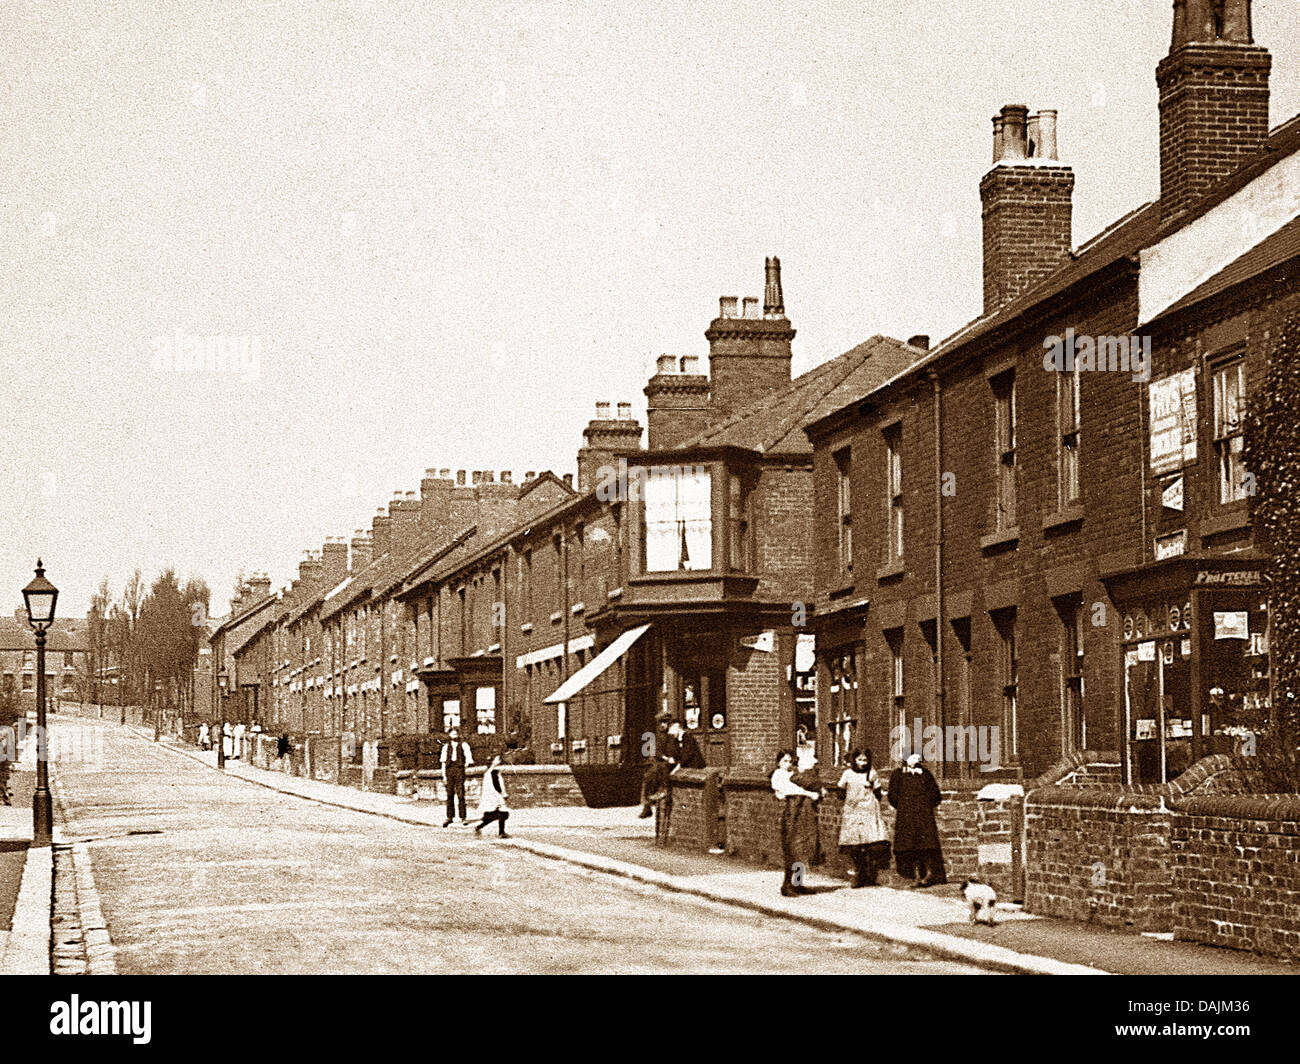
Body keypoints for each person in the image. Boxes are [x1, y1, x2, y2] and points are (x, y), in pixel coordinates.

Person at [888, 753, 946, 888]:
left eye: (917, 757)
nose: (915, 760)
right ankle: (913, 875)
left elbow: (935, 794)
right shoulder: (898, 774)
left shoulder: (925, 774)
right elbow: (893, 796)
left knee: (926, 844)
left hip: (924, 815)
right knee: (908, 845)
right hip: (906, 816)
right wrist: (905, 806)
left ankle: (929, 874)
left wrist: (924, 805)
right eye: (912, 757)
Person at [771, 750, 823, 897]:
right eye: (784, 761)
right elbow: (789, 789)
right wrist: (808, 793)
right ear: (778, 762)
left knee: (801, 849)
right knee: (791, 849)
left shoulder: (792, 775)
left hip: (801, 815)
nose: (787, 764)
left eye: (790, 761)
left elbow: (808, 783)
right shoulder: (778, 774)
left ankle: (798, 883)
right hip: (790, 815)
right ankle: (787, 885)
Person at [835, 749, 890, 887]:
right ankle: (857, 873)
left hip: (868, 809)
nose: (862, 763)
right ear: (854, 760)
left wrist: (871, 789)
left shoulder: (871, 773)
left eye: (865, 760)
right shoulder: (848, 773)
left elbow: (878, 791)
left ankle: (869, 875)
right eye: (860, 760)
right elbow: (840, 790)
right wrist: (847, 798)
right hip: (853, 810)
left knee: (870, 842)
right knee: (854, 844)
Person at [638, 711, 674, 818]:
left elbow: (673, 751)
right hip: (659, 762)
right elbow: (654, 752)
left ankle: (650, 803)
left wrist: (666, 758)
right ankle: (647, 805)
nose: (663, 725)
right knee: (648, 776)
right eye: (661, 723)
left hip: (666, 763)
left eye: (665, 723)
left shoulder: (670, 736)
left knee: (655, 773)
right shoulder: (656, 736)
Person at [440, 727, 473, 826]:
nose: (454, 735)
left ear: (458, 735)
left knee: (460, 794)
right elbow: (443, 762)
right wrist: (444, 776)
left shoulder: (464, 745)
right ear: (449, 735)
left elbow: (469, 758)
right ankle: (450, 817)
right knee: (449, 794)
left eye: (456, 734)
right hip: (449, 770)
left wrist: (464, 766)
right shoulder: (446, 746)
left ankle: (463, 817)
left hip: (459, 770)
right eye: (452, 734)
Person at [474, 753, 511, 838]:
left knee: (493, 816)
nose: (499, 761)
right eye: (497, 760)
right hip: (495, 797)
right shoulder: (493, 772)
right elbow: (497, 785)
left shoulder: (490, 772)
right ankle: (501, 833)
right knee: (502, 813)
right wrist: (502, 794)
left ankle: (479, 827)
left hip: (491, 798)